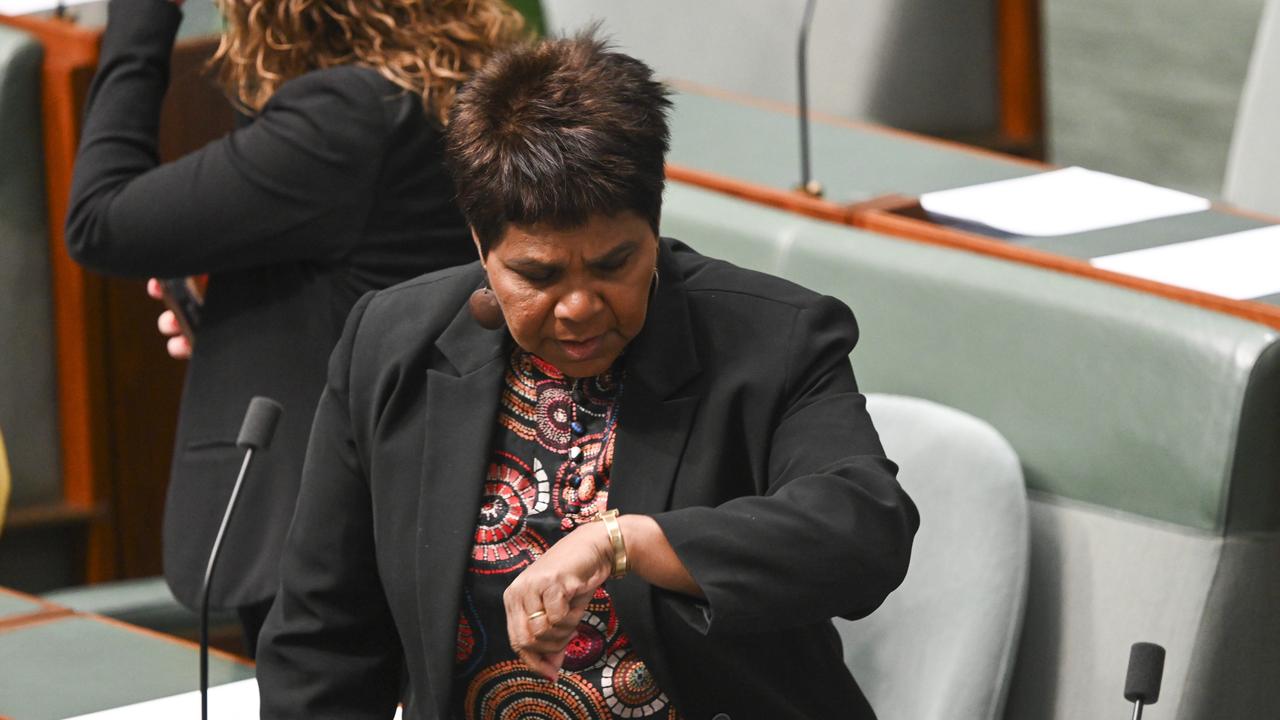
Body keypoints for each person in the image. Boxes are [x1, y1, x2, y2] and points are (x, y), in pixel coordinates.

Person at [256, 35, 919, 719]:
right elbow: (324, 641)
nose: (578, 307)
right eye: (538, 276)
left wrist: (624, 541)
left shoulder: (773, 338)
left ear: (654, 223)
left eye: (613, 265)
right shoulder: (392, 347)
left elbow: (864, 528)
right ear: (482, 249)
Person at [64, 0, 522, 654]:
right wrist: (236, 331)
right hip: (410, 507)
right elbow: (368, 291)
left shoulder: (345, 117)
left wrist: (142, 17)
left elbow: (98, 220)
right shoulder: (452, 89)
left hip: (327, 532)